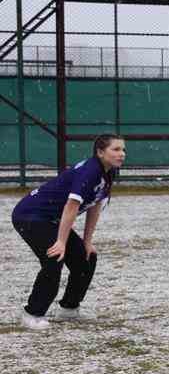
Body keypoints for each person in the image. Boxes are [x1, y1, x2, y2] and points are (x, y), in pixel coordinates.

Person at [11, 133, 125, 329]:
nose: (122, 154)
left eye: (123, 149)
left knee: (86, 257)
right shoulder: (90, 172)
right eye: (116, 149)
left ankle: (68, 310)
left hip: (52, 220)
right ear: (100, 152)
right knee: (54, 256)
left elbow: (95, 204)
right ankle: (32, 314)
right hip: (29, 215)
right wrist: (61, 242)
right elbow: (71, 206)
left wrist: (87, 241)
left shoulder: (108, 171)